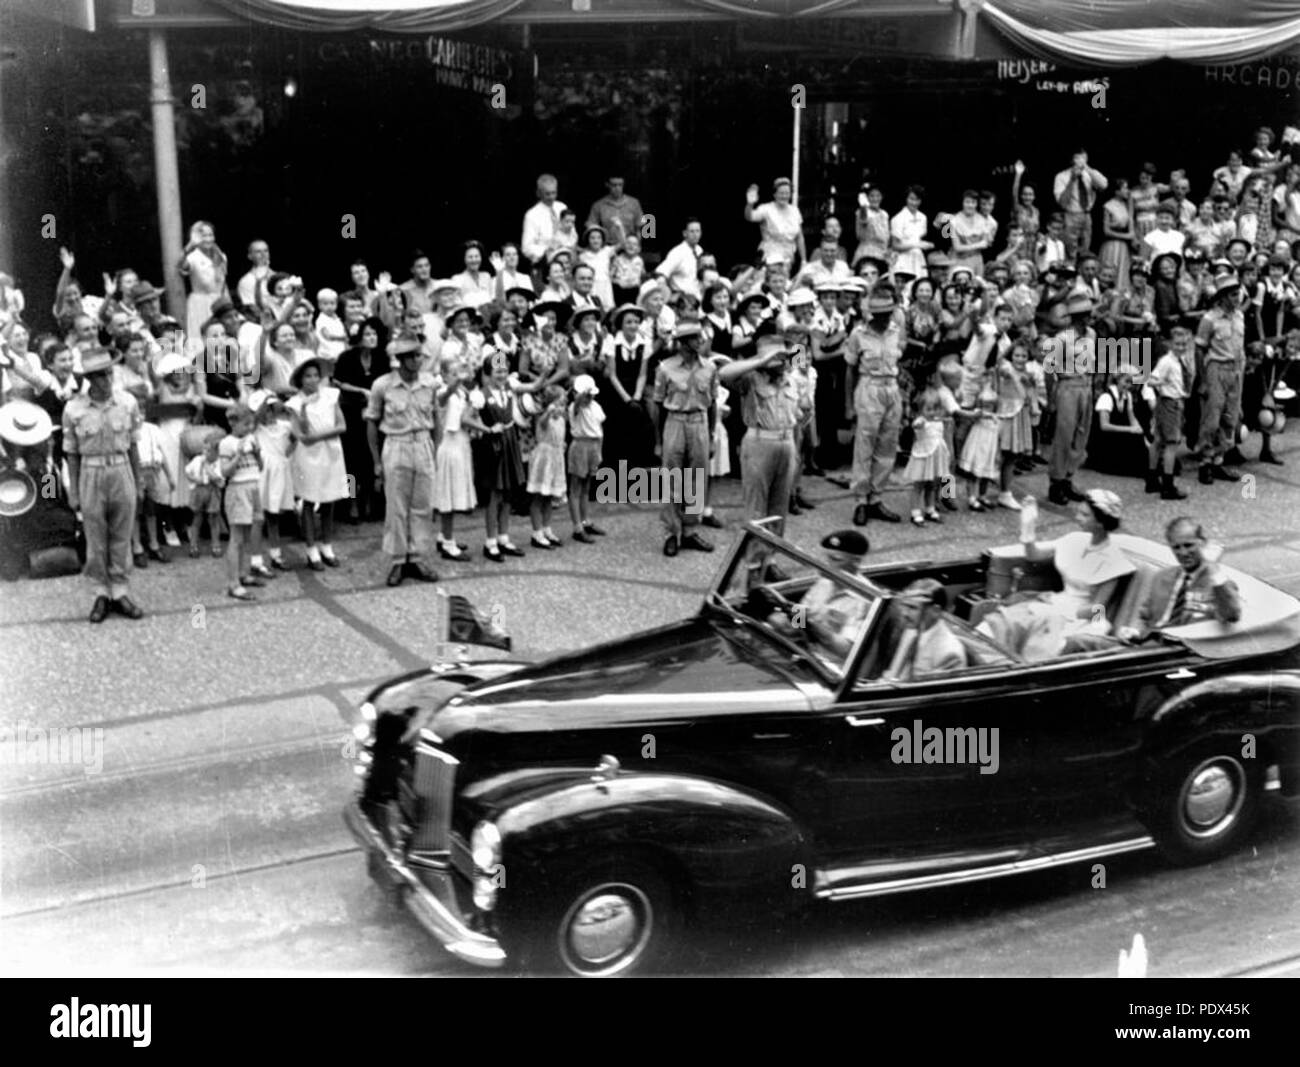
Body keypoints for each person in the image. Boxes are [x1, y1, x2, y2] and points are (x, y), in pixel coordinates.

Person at [976, 489, 1135, 661]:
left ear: (1101, 522)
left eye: (1085, 515)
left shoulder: (1114, 560)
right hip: (1053, 602)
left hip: (1079, 617)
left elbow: (1099, 609)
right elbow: (1033, 555)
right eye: (1079, 512)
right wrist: (1028, 527)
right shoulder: (1075, 539)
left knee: (1034, 637)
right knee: (999, 623)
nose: (1077, 517)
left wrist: (1064, 613)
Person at [365, 337, 440, 586]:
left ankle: (416, 557)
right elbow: (372, 423)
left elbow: (436, 419)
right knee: (396, 505)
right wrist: (377, 461)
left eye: (420, 356)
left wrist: (434, 450)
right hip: (396, 444)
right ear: (401, 359)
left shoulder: (429, 383)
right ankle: (398, 560)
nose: (418, 360)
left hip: (422, 444)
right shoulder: (382, 385)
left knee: (422, 504)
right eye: (413, 356)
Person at [718, 334, 806, 527]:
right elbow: (724, 373)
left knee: (780, 505)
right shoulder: (751, 379)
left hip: (787, 441)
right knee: (756, 504)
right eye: (775, 358)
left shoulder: (791, 378)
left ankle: (771, 554)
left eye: (782, 357)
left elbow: (801, 351)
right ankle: (755, 554)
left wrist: (790, 352)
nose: (779, 362)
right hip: (760, 442)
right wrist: (761, 360)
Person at [652, 319, 718, 556]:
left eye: (700, 337)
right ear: (682, 343)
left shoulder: (709, 367)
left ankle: (690, 530)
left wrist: (711, 435)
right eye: (695, 338)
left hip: (699, 420)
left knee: (697, 478)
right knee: (672, 479)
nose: (700, 342)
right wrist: (659, 440)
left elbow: (713, 403)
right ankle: (672, 531)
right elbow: (657, 405)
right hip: (675, 420)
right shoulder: (665, 368)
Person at [845, 286, 905, 525]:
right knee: (865, 446)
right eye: (879, 313)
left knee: (887, 445)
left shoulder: (895, 331)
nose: (884, 318)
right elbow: (849, 369)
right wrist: (848, 405)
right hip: (869, 387)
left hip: (891, 387)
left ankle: (876, 497)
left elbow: (899, 354)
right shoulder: (858, 334)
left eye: (888, 312)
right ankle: (861, 499)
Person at [1127, 518, 1242, 636]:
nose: (1183, 553)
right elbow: (1144, 616)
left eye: (1188, 545)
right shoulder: (1161, 577)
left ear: (1202, 543)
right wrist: (1134, 631)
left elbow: (1232, 615)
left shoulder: (1218, 583)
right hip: (1151, 643)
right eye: (1176, 547)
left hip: (1187, 647)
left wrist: (1212, 566)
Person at [473, 353, 527, 562]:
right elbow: (466, 418)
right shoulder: (480, 395)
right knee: (494, 494)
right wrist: (487, 428)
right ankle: (491, 541)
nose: (502, 375)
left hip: (510, 441)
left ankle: (504, 537)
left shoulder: (509, 391)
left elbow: (531, 388)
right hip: (493, 445)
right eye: (497, 371)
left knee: (508, 492)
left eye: (504, 370)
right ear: (488, 374)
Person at [1046, 291, 1097, 505]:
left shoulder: (1091, 335)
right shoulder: (1062, 338)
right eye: (1084, 314)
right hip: (1068, 385)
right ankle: (1056, 482)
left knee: (1081, 434)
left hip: (1086, 385)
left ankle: (1068, 477)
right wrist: (1051, 398)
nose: (1088, 318)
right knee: (1064, 436)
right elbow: (1049, 370)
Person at [1196, 275, 1246, 484]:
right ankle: (1205, 463)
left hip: (1236, 370)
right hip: (1216, 369)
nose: (1237, 298)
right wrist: (1203, 380)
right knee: (1212, 419)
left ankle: (1218, 460)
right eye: (1233, 294)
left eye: (1238, 293)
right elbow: (1199, 349)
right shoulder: (1210, 319)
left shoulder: (1239, 317)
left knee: (1230, 418)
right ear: (1223, 297)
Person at [217, 402, 268, 601]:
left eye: (251, 424)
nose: (249, 428)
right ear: (233, 423)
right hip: (238, 489)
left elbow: (261, 467)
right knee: (236, 538)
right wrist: (238, 454)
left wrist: (256, 453)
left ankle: (243, 573)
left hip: (253, 486)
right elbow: (224, 471)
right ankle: (233, 583)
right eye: (245, 424)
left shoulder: (252, 438)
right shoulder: (227, 443)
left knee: (248, 536)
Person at [1144, 325, 1195, 499]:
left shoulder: (1179, 361)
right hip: (1169, 403)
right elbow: (1152, 380)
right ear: (1170, 344)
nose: (1181, 347)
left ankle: (1151, 479)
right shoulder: (1167, 361)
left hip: (1171, 402)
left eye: (1184, 344)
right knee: (1171, 444)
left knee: (1158, 441)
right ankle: (1168, 485)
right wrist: (1164, 386)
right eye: (1178, 344)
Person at [887, 578, 967, 678]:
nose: (904, 613)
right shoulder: (911, 630)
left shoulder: (949, 653)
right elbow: (893, 674)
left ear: (935, 611)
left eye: (912, 608)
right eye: (904, 606)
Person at [567, 374, 607, 543]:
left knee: (586, 487)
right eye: (587, 395)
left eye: (591, 395)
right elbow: (576, 403)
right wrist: (580, 394)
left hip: (594, 445)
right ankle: (577, 527)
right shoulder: (575, 408)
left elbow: (599, 429)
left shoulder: (596, 406)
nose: (589, 397)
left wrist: (599, 451)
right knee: (576, 487)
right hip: (580, 445)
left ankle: (585, 521)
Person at [178, 221, 229, 342]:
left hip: (218, 302)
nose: (208, 239)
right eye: (203, 236)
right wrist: (190, 245)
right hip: (200, 303)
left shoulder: (221, 256)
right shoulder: (192, 257)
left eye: (210, 235)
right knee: (200, 340)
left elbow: (223, 285)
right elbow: (179, 265)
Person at [1053, 149, 1109, 261]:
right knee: (1070, 250)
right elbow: (1062, 202)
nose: (1080, 161)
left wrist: (1087, 169)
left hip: (1087, 215)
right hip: (1071, 215)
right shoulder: (1061, 176)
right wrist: (1072, 180)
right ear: (1072, 160)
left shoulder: (1090, 173)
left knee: (1085, 250)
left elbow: (1103, 185)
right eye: (1077, 158)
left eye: (1082, 158)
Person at [744, 178, 806, 269]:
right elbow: (749, 217)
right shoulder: (766, 209)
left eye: (787, 193)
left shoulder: (795, 210)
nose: (784, 196)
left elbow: (799, 237)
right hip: (769, 257)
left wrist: (803, 260)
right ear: (774, 194)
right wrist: (750, 204)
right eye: (781, 193)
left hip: (788, 259)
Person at [521, 174, 567, 285]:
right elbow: (526, 248)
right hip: (544, 267)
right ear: (539, 193)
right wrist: (547, 250)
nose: (551, 197)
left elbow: (572, 235)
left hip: (565, 265)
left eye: (554, 193)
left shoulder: (562, 208)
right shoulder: (532, 215)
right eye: (547, 194)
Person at [586, 175, 645, 249]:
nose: (617, 188)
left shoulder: (634, 203)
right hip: (608, 246)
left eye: (620, 185)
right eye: (614, 185)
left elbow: (639, 227)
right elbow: (591, 226)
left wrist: (638, 246)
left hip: (629, 246)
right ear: (607, 185)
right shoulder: (598, 205)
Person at [657, 219, 705, 300]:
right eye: (692, 231)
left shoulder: (699, 250)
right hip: (682, 300)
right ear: (685, 233)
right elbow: (661, 273)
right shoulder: (677, 253)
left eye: (697, 231)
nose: (695, 234)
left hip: (698, 297)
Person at [236, 240, 272, 312]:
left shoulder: (279, 277)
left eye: (266, 251)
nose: (263, 254)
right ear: (250, 256)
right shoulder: (246, 281)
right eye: (258, 252)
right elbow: (251, 308)